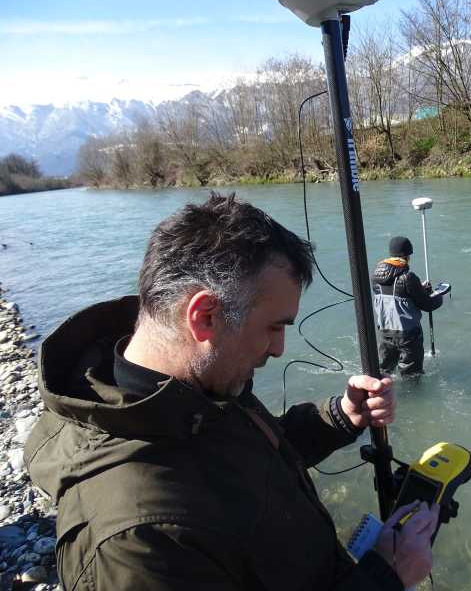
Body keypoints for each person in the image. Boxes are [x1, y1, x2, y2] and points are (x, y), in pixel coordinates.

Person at [23, 193, 439, 591]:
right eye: (274, 327)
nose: (278, 348)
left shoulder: (194, 388)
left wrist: (342, 415)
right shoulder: (134, 542)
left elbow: (245, 457)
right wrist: (385, 578)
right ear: (204, 316)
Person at [372, 236, 444, 376]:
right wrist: (439, 295)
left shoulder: (375, 276)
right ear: (407, 255)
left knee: (385, 372)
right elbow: (427, 305)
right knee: (412, 376)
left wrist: (420, 288)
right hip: (408, 336)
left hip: (385, 333)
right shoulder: (407, 277)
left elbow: (395, 295)